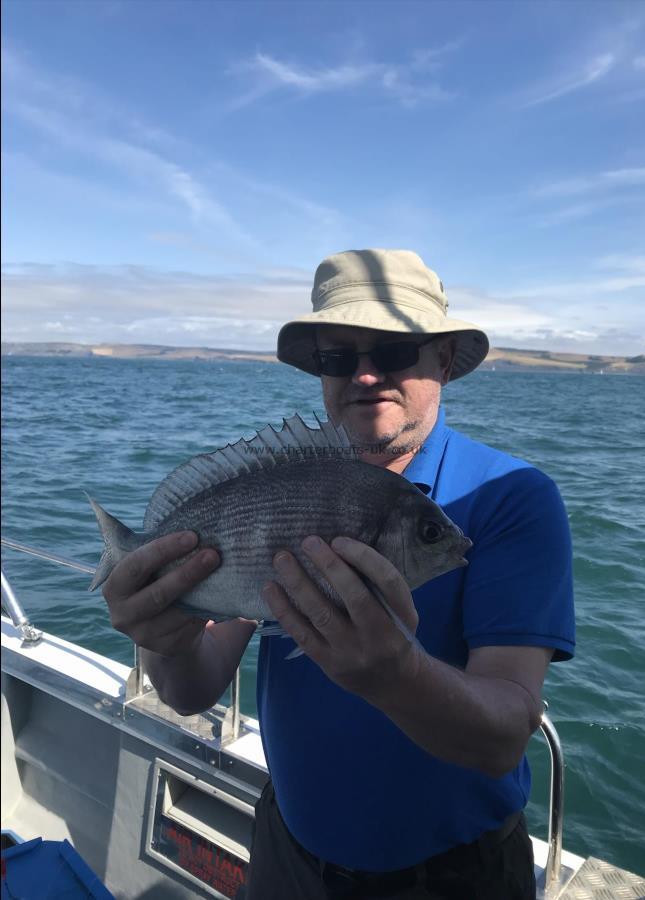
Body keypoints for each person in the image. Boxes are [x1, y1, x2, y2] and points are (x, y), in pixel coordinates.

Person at [102, 249, 575, 900]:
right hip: (285, 853)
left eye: (394, 351)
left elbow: (502, 737)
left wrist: (394, 676)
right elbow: (193, 689)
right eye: (338, 357)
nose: (365, 376)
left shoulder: (510, 498)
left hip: (452, 878)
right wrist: (164, 636)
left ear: (441, 360)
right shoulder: (280, 491)